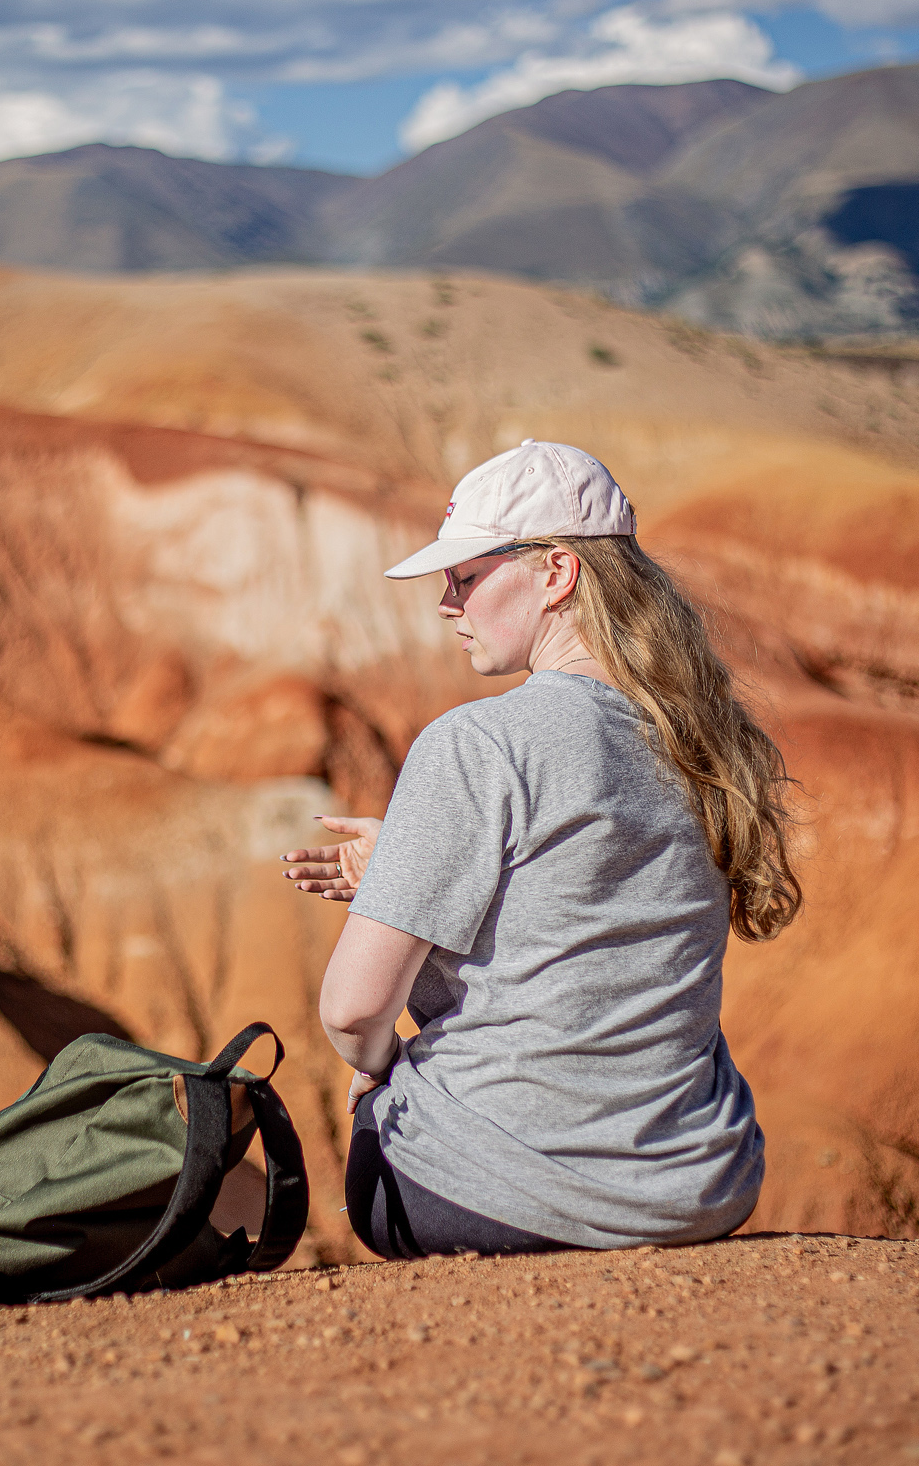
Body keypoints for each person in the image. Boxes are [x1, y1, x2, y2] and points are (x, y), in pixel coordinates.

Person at [280, 439, 801, 1259]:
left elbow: (351, 1010)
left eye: (465, 577)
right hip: (698, 1189)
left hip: (491, 1194)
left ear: (557, 572)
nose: (446, 603)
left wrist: (382, 1063)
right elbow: (578, 915)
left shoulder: (476, 743)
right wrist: (409, 865)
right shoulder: (699, 741)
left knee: (382, 1114)